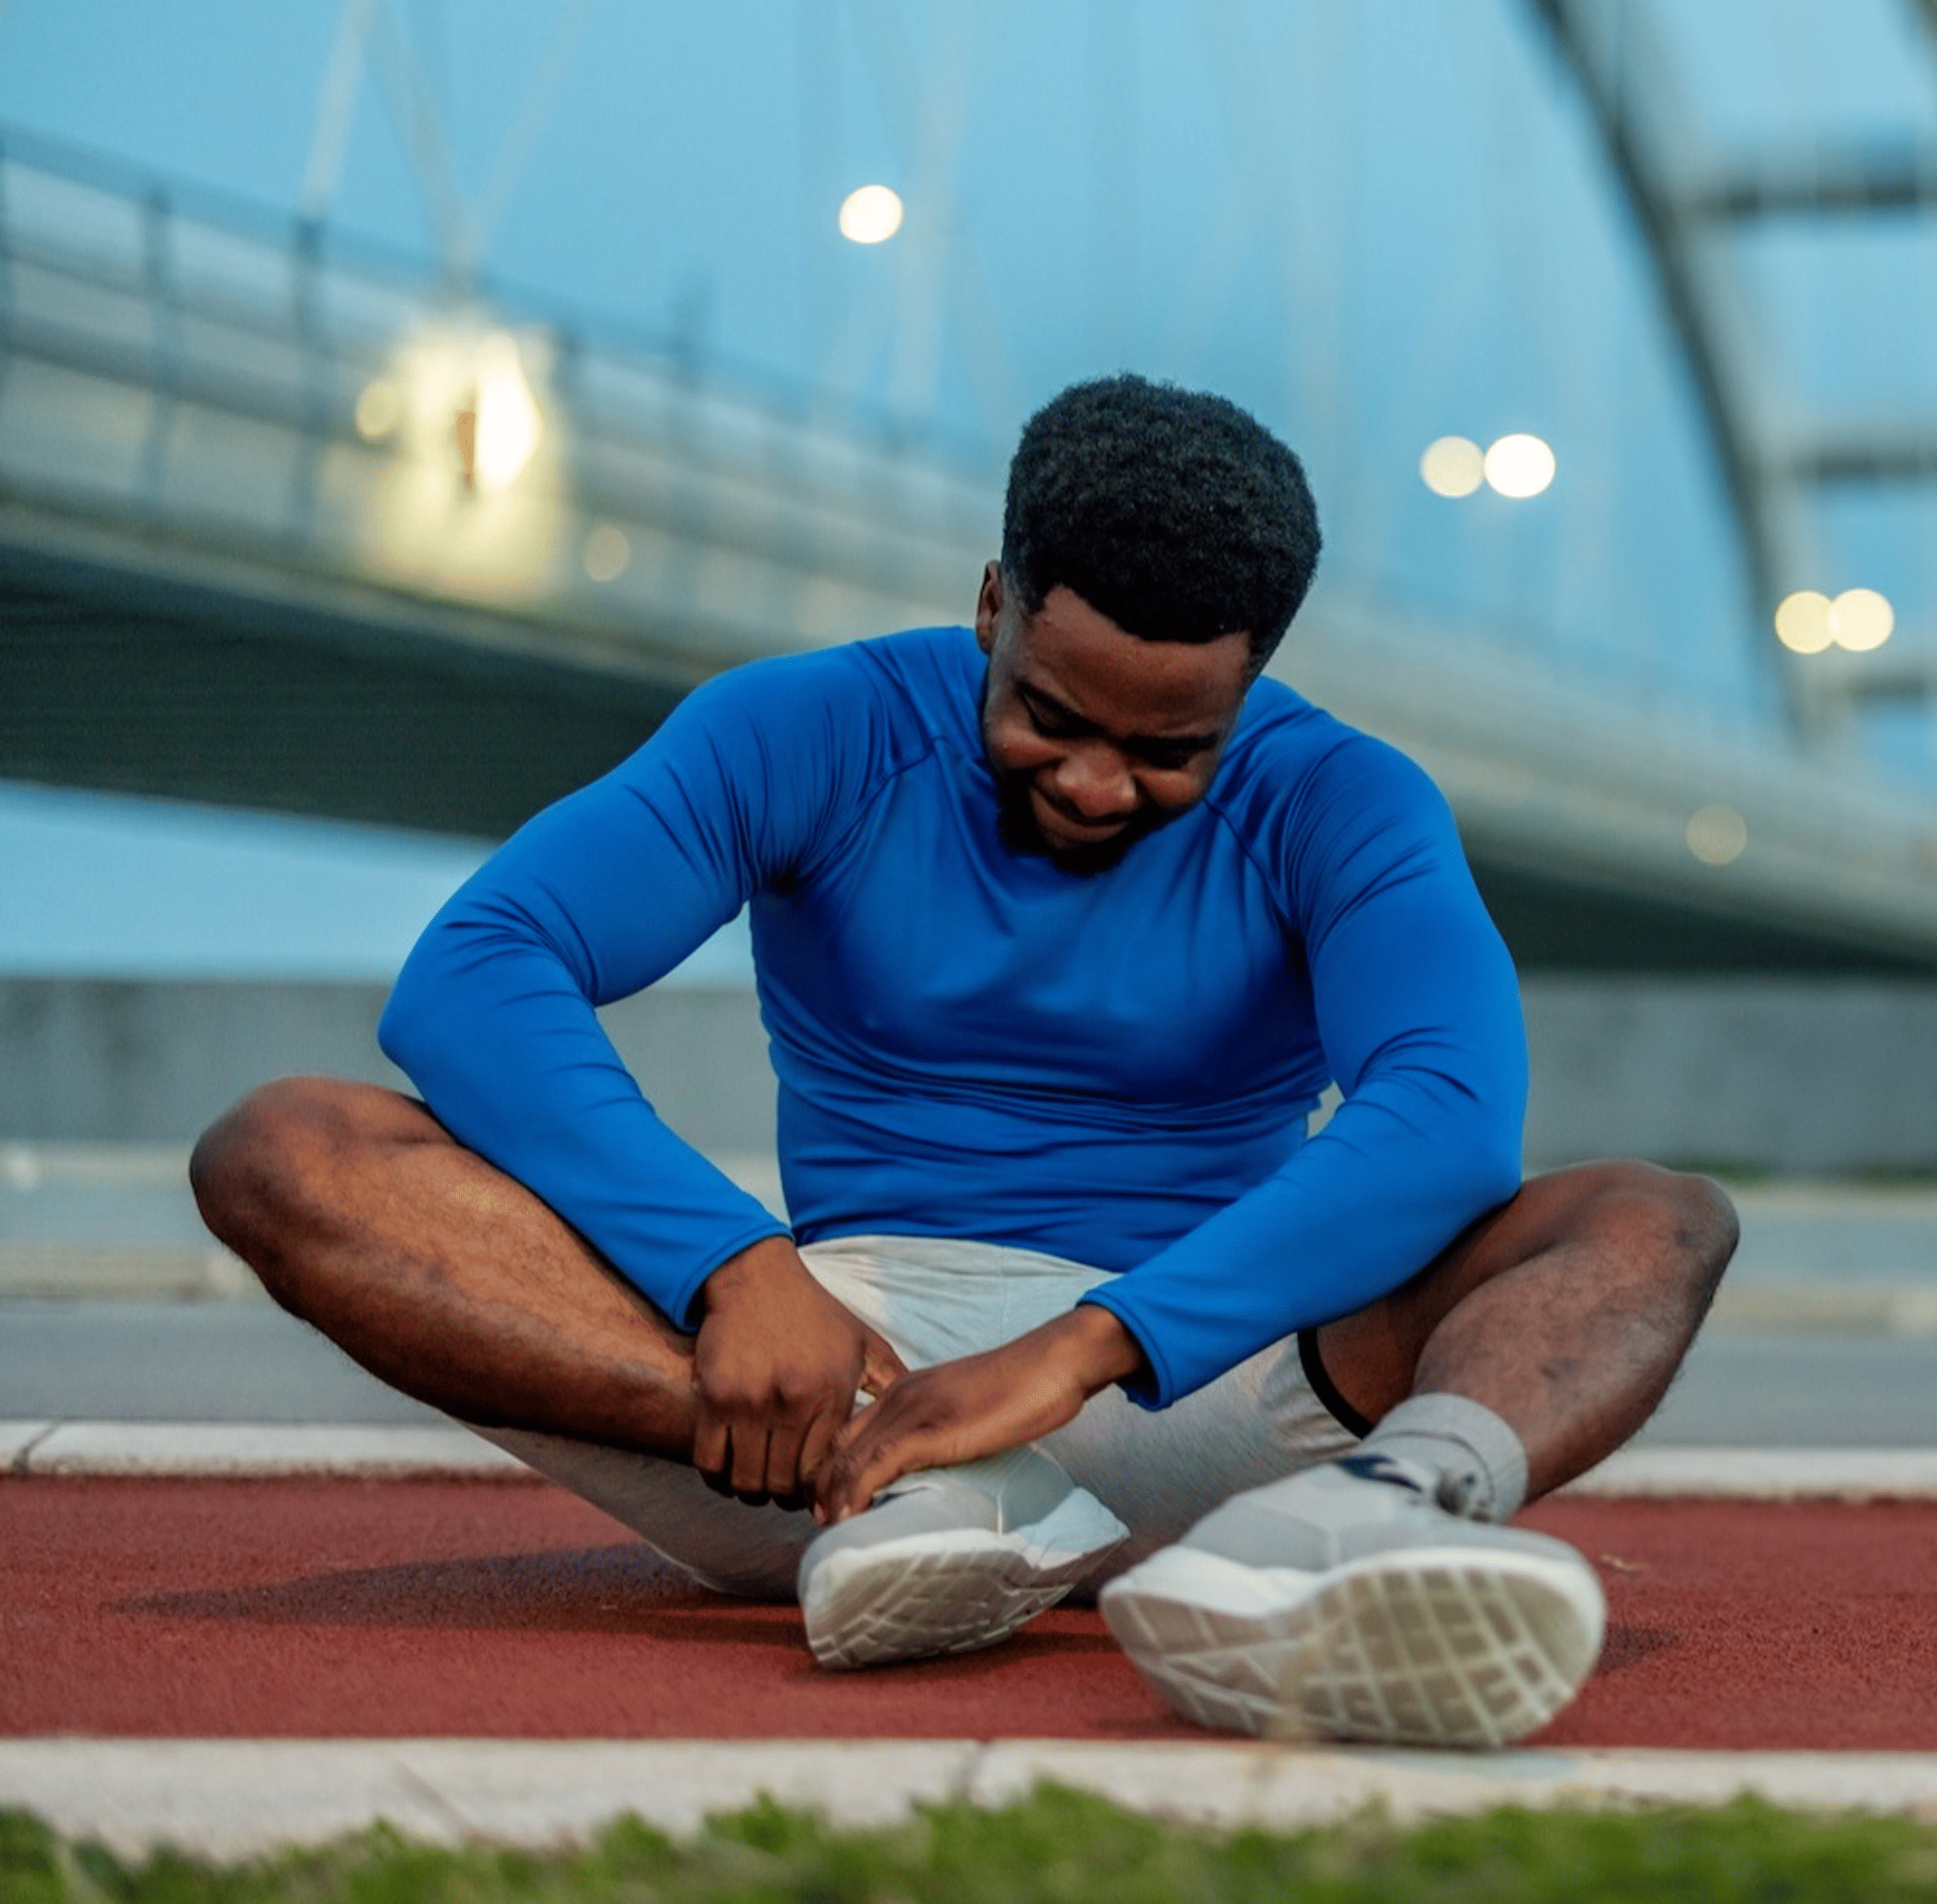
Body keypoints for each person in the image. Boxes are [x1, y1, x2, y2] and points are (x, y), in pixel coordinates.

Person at [190, 373, 1736, 1749]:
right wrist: (733, 1264)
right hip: (825, 1403)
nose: (1094, 779)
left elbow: (1450, 1116)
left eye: (1169, 749)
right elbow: (479, 971)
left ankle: (1373, 1520)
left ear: (1252, 681)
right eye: (1049, 716)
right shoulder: (807, 727)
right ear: (993, 602)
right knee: (286, 1143)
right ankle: (931, 1496)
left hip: (1206, 1383)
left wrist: (1078, 1348)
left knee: (1653, 1216)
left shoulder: (1348, 800)